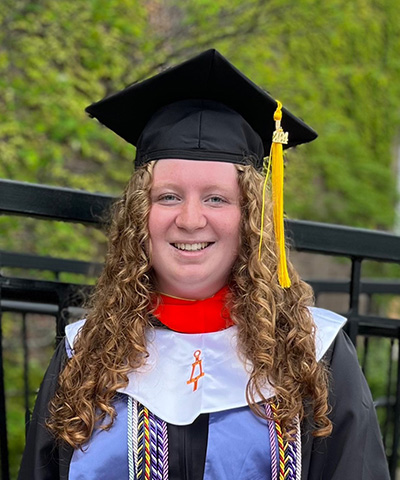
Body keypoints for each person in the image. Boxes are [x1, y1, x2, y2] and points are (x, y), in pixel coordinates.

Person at [18, 49, 390, 480]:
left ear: (250, 218)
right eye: (168, 196)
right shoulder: (82, 356)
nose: (191, 220)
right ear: (140, 215)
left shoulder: (314, 353)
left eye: (216, 198)